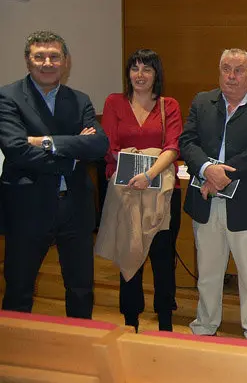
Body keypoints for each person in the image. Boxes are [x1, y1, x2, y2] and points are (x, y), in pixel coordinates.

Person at [0, 30, 108, 318]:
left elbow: (98, 144)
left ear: (65, 62)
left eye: (54, 56)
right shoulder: (7, 97)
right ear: (27, 60)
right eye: (39, 56)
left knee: (81, 288)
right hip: (27, 207)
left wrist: (45, 142)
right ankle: (17, 353)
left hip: (75, 207)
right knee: (19, 287)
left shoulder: (80, 100)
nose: (47, 63)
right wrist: (73, 154)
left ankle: (81, 348)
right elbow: (15, 149)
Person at [179, 49, 247, 340]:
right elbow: (187, 141)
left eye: (238, 70)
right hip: (205, 202)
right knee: (208, 273)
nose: (231, 76)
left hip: (246, 206)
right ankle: (205, 327)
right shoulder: (202, 101)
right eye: (226, 69)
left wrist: (220, 176)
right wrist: (208, 169)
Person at [99, 49, 183, 331]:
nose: (140, 74)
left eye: (147, 69)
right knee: (129, 253)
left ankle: (165, 323)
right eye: (135, 68)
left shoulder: (169, 105)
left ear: (156, 74)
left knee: (162, 259)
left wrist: (148, 174)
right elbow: (108, 147)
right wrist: (137, 170)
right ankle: (130, 320)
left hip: (160, 192)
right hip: (126, 192)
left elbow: (173, 146)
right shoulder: (114, 102)